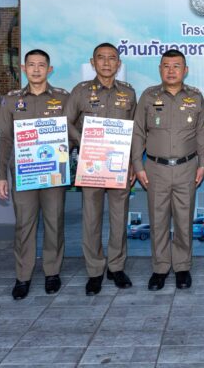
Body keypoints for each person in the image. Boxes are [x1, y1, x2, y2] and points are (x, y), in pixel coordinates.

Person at [0, 49, 70, 300]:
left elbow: (73, 131)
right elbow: (4, 139)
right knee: (24, 225)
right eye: (31, 65)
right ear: (23, 68)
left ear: (50, 70)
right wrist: (0, 175)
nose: (36, 69)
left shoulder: (63, 98)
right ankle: (23, 276)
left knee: (54, 222)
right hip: (24, 173)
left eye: (41, 65)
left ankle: (52, 272)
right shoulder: (11, 100)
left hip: (54, 173)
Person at [131, 49, 204, 291]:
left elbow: (202, 132)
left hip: (187, 168)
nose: (171, 70)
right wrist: (137, 165)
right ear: (160, 69)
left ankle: (182, 267)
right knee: (158, 220)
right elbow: (138, 132)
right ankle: (161, 268)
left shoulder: (195, 97)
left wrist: (203, 164)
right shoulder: (148, 96)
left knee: (184, 220)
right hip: (155, 168)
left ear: (185, 70)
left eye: (177, 66)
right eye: (166, 66)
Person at [66, 42, 137, 295]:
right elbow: (67, 122)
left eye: (112, 58)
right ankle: (95, 270)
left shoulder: (128, 93)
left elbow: (135, 130)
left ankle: (116, 267)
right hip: (92, 164)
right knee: (91, 220)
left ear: (119, 64)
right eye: (101, 58)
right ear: (93, 62)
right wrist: (84, 142)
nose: (107, 63)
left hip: (119, 166)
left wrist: (132, 162)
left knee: (119, 219)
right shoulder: (81, 91)